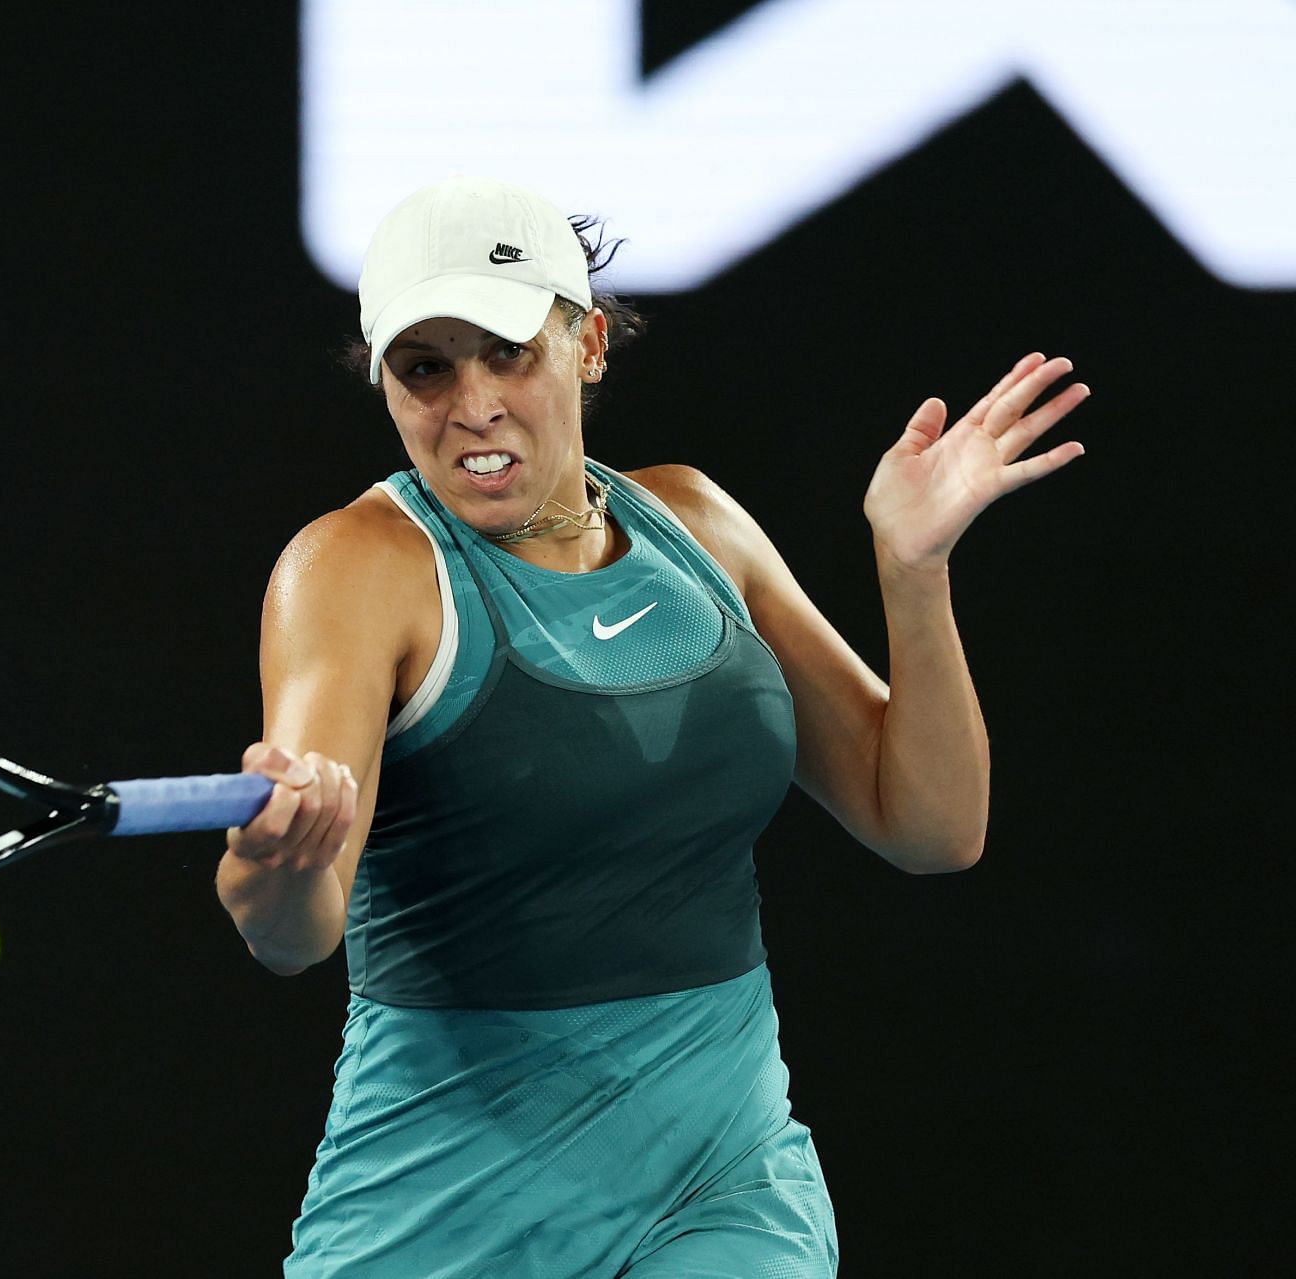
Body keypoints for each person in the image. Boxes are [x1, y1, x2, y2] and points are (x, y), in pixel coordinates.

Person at [214, 174, 1088, 1277]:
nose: (472, 402)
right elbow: (290, 931)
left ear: (587, 346)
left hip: (723, 1181)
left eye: (508, 351)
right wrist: (276, 861)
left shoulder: (698, 526)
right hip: (447, 1206)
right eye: (425, 366)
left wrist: (912, 572)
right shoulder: (353, 568)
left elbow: (930, 823)